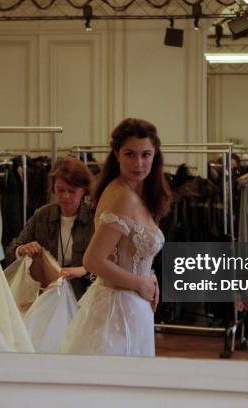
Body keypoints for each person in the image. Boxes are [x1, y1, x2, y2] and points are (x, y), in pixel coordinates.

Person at [59, 118, 172, 356]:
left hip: (131, 305)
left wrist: (149, 277)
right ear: (117, 155)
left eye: (146, 154)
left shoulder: (137, 193)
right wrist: (141, 283)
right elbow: (93, 261)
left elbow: (130, 251)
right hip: (119, 308)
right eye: (130, 154)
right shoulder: (123, 196)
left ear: (155, 156)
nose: (139, 163)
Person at [5, 157, 95, 300]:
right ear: (53, 188)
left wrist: (83, 270)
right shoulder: (41, 215)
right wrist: (22, 250)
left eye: (71, 191)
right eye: (60, 190)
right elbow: (10, 251)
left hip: (84, 297)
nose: (65, 196)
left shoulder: (94, 220)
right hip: (46, 296)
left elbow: (106, 267)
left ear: (84, 191)